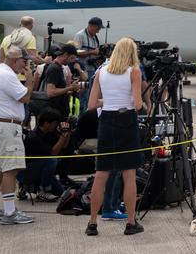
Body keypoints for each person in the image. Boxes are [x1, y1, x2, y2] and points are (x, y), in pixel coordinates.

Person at [86, 38, 146, 236]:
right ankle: (130, 222)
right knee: (129, 174)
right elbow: (137, 104)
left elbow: (91, 105)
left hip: (107, 121)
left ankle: (92, 222)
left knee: (101, 173)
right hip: (126, 119)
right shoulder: (133, 72)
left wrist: (109, 99)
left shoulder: (101, 72)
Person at [0, 46, 40, 224]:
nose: (25, 65)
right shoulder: (6, 75)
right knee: (10, 170)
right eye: (25, 61)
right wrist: (30, 79)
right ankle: (9, 212)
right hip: (6, 128)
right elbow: (25, 97)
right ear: (16, 60)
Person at [21, 108, 73, 201]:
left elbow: (64, 146)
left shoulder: (50, 133)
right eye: (55, 123)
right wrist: (62, 137)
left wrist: (67, 132)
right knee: (51, 160)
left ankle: (30, 187)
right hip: (26, 171)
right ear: (46, 123)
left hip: (41, 170)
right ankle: (43, 190)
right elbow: (53, 153)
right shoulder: (34, 137)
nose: (56, 125)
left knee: (60, 192)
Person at [32, 44, 83, 120]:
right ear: (65, 55)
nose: (71, 61)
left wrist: (70, 90)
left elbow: (57, 90)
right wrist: (70, 88)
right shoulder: (54, 68)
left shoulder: (59, 67)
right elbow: (51, 92)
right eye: (71, 58)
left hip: (59, 110)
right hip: (55, 112)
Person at [74, 17, 104, 111]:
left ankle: (88, 113)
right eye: (97, 28)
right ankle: (81, 115)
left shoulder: (95, 37)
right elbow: (75, 52)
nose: (98, 31)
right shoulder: (80, 35)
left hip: (92, 69)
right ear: (91, 26)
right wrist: (91, 52)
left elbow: (96, 52)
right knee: (83, 95)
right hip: (83, 70)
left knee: (91, 94)